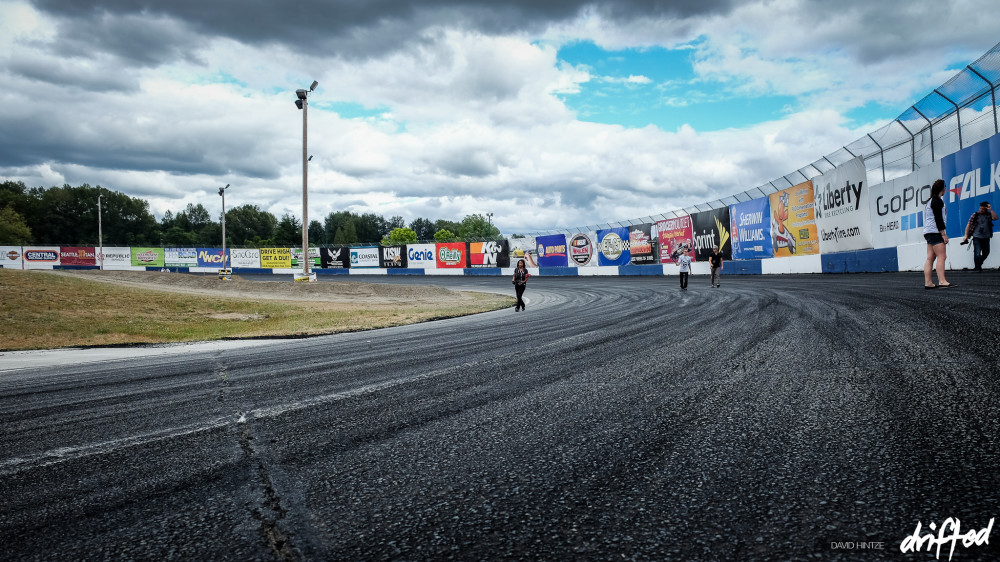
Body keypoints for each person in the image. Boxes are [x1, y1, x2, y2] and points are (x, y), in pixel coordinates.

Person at [923, 179, 955, 289]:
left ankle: (928, 283)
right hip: (935, 232)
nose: (946, 189)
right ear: (943, 188)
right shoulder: (937, 201)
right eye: (945, 187)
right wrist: (943, 234)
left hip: (928, 232)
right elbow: (938, 219)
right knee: (942, 256)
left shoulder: (930, 201)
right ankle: (942, 281)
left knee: (930, 258)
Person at [960, 201, 997, 271]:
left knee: (986, 252)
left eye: (983, 209)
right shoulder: (975, 215)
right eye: (980, 208)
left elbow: (995, 218)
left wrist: (991, 209)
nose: (981, 210)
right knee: (977, 253)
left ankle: (979, 264)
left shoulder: (988, 215)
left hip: (986, 237)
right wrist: (966, 235)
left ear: (986, 209)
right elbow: (969, 225)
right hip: (977, 237)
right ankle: (978, 268)